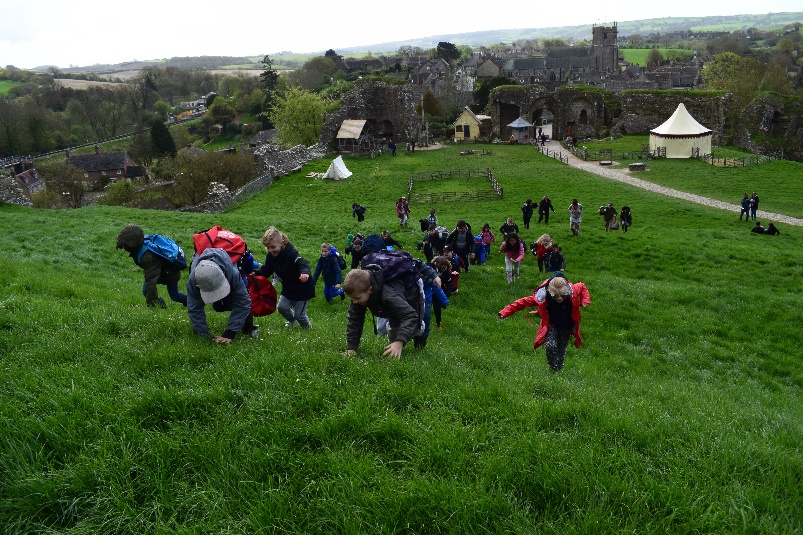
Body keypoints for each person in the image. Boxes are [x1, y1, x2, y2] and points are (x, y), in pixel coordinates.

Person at [499, 271, 591, 372]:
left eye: (563, 295)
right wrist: (504, 312)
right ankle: (552, 367)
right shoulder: (543, 296)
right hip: (552, 324)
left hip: (567, 326)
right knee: (550, 346)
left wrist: (585, 300)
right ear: (549, 291)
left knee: (561, 349)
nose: (559, 298)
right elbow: (521, 302)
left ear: (567, 291)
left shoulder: (573, 290)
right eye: (555, 296)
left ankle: (558, 370)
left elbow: (582, 286)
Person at [342, 266, 426, 360]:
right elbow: (355, 320)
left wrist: (400, 341)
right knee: (393, 330)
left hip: (411, 291)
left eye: (357, 298)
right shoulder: (358, 294)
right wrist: (352, 348)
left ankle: (420, 337)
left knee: (417, 328)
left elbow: (410, 315)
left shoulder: (389, 295)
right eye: (351, 298)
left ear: (370, 290)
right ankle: (395, 346)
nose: (354, 302)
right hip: (391, 302)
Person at [186, 247, 257, 343]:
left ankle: (248, 327)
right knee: (218, 307)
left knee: (229, 304)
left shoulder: (234, 273)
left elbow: (243, 302)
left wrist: (229, 333)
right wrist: (203, 336)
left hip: (232, 278)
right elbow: (194, 308)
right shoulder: (193, 279)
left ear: (224, 274)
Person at [254, 227, 316, 328]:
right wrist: (254, 273)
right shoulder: (270, 257)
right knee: (282, 308)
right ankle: (292, 321)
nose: (270, 250)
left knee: (299, 315)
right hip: (288, 288)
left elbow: (302, 262)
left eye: (273, 247)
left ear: (282, 243)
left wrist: (305, 272)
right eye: (268, 247)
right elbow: (266, 271)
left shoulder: (290, 253)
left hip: (303, 288)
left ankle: (307, 329)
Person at [116, 223, 187, 308]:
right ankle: (161, 307)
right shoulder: (140, 244)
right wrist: (121, 243)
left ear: (133, 243)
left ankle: (192, 302)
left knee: (175, 296)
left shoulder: (148, 257)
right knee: (145, 291)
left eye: (126, 244)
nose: (125, 246)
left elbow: (151, 281)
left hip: (170, 274)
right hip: (159, 271)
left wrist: (152, 302)